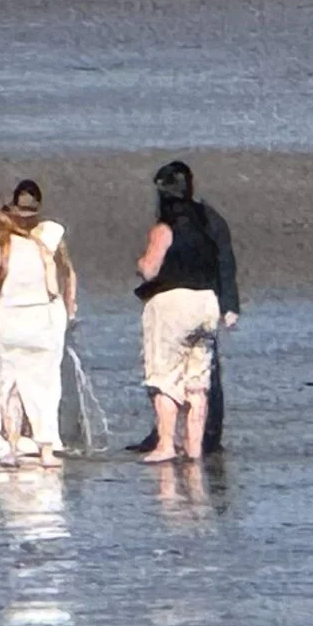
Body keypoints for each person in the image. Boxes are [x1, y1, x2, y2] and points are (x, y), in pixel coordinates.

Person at [126, 160, 240, 455]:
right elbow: (225, 260)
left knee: (164, 378)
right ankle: (196, 446)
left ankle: (165, 444)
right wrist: (229, 304)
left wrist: (140, 265)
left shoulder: (166, 227)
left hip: (173, 305)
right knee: (199, 382)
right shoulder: (209, 220)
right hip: (206, 303)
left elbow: (150, 269)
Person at [0, 179, 77, 469]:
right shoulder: (49, 238)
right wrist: (69, 308)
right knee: (45, 386)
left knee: (9, 385)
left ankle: (11, 446)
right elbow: (63, 278)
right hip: (41, 319)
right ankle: (46, 449)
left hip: (9, 321)